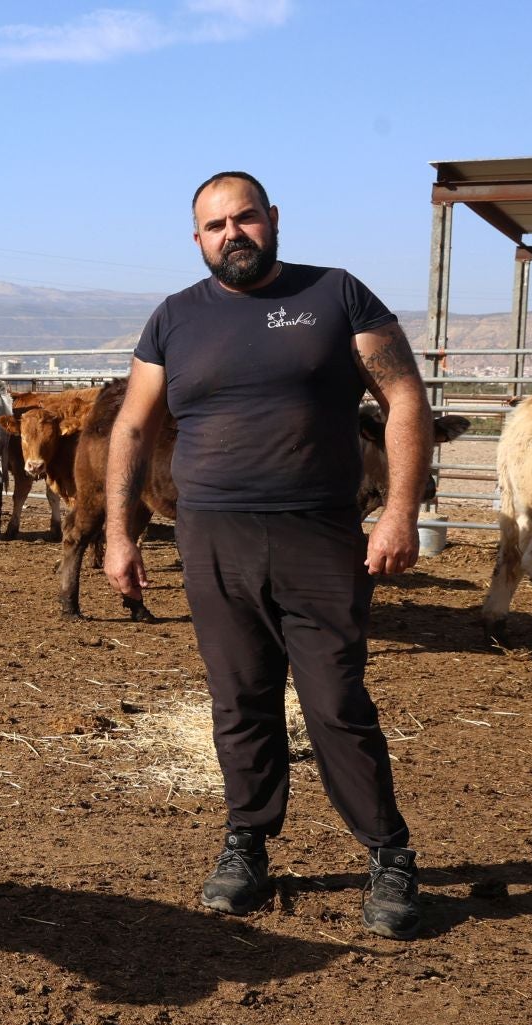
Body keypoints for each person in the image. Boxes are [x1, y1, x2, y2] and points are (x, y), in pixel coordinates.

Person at [104, 170, 433, 940]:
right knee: (240, 699)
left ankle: (389, 853)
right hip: (211, 537)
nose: (232, 235)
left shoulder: (336, 295)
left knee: (335, 701)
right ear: (197, 240)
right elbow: (130, 428)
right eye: (215, 226)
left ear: (272, 219)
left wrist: (399, 512)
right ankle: (247, 842)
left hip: (318, 534)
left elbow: (405, 398)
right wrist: (121, 535)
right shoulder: (174, 320)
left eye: (244, 219)